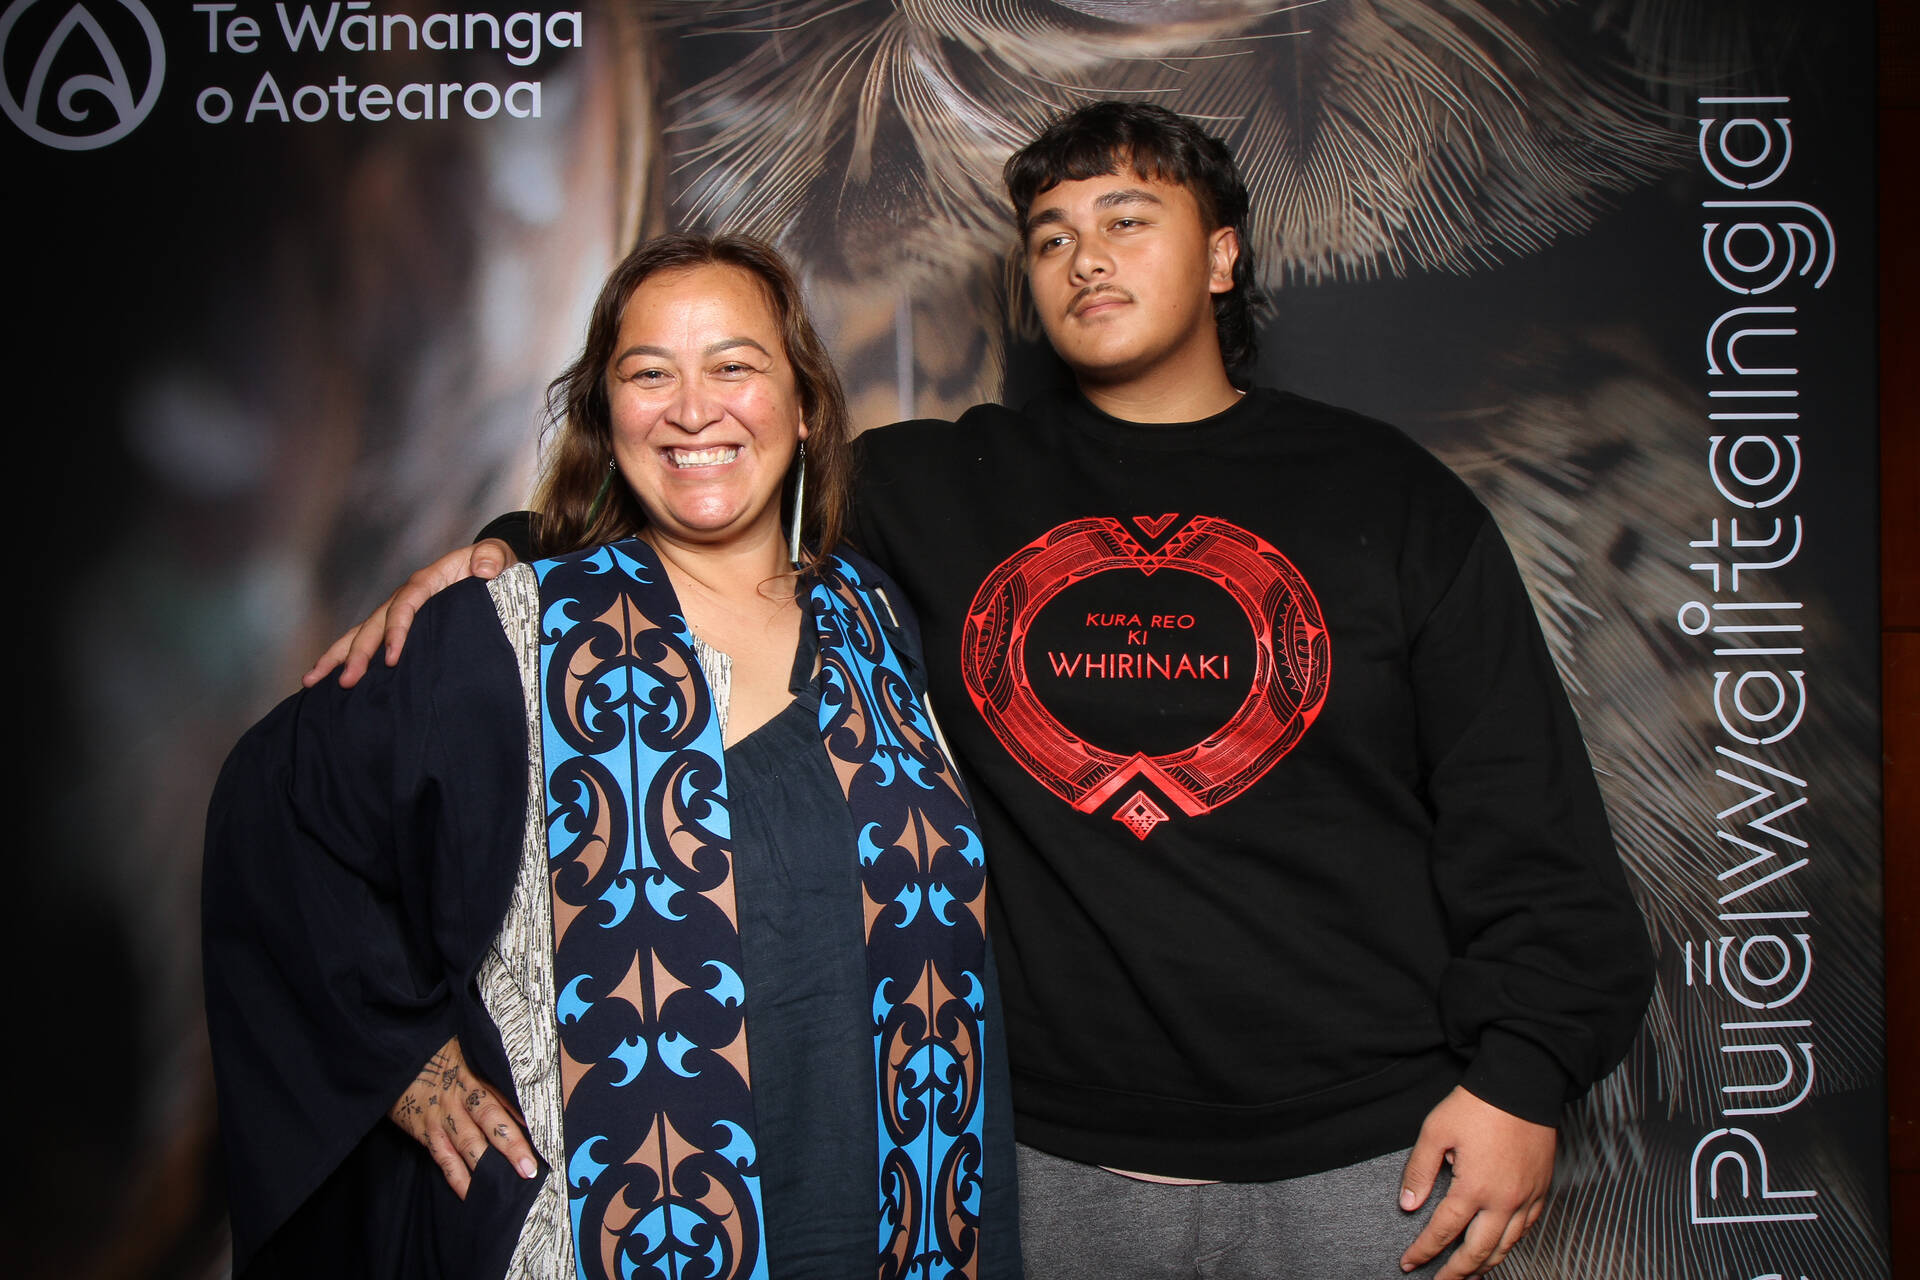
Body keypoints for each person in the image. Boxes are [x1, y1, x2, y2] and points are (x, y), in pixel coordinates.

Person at [313, 104, 1654, 1279]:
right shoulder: (925, 491)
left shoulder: (1391, 500)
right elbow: (707, 499)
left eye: (1128, 219)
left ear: (1223, 256)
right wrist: (514, 551)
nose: (1086, 257)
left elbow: (1527, 820)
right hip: (1051, 1168)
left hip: (1370, 1158)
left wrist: (1524, 1078)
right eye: (1052, 234)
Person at [205, 233, 1020, 1279]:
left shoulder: (871, 615)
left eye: (734, 365)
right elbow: (276, 811)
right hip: (622, 1231)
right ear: (607, 413)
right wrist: (399, 1059)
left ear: (804, 406)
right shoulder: (511, 633)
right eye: (649, 374)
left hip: (902, 1216)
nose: (693, 410)